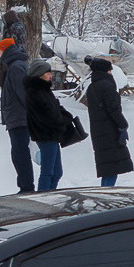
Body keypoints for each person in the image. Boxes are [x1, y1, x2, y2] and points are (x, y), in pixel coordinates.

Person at [25, 59, 76, 191]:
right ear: (40, 74)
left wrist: (65, 116)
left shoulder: (44, 89)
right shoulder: (35, 91)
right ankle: (44, 197)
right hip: (46, 135)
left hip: (52, 134)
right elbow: (48, 115)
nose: (50, 75)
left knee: (57, 172)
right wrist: (63, 120)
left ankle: (50, 195)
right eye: (47, 73)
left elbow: (56, 107)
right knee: (48, 172)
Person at [81, 57, 132, 188]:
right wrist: (123, 125)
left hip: (99, 130)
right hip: (110, 131)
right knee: (112, 168)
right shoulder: (107, 86)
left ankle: (105, 191)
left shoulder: (92, 86)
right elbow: (114, 109)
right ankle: (106, 194)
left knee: (107, 167)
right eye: (110, 70)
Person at [0, 38, 34, 193]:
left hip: (19, 117)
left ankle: (26, 186)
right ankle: (25, 184)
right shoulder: (15, 65)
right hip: (17, 116)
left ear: (5, 50)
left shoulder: (16, 67)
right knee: (19, 152)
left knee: (20, 153)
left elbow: (23, 92)